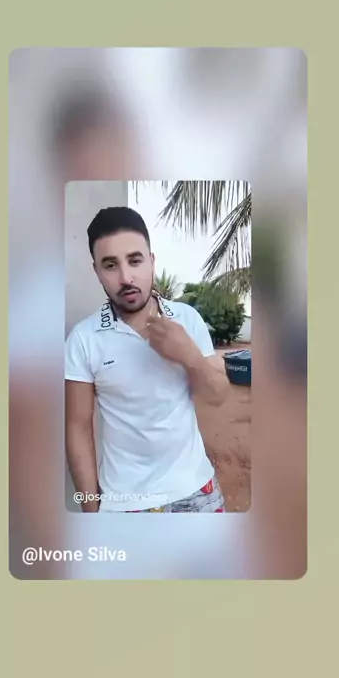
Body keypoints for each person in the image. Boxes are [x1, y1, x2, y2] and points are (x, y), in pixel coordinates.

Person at [65, 206, 230, 513]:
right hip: (125, 503)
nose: (126, 277)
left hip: (197, 491)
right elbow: (78, 428)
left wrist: (190, 356)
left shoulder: (186, 319)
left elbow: (218, 396)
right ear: (96, 270)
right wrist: (91, 513)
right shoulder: (84, 339)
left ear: (152, 261)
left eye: (135, 260)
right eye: (110, 265)